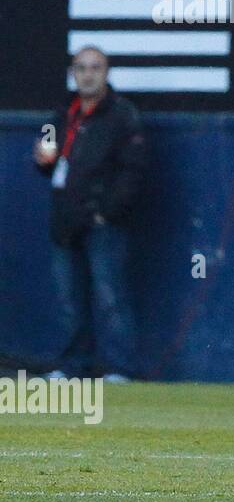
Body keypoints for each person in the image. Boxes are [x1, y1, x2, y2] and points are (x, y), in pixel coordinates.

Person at [32, 46, 147, 383]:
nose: (88, 74)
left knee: (110, 295)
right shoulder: (64, 114)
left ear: (107, 72)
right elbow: (47, 153)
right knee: (69, 299)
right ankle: (72, 366)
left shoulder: (122, 116)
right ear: (73, 73)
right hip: (65, 218)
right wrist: (42, 158)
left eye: (95, 67)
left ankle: (120, 368)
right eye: (81, 68)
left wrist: (106, 212)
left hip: (102, 221)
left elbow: (134, 171)